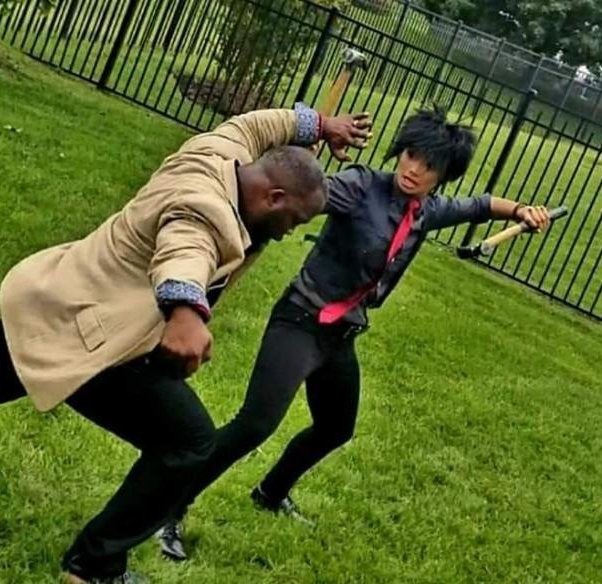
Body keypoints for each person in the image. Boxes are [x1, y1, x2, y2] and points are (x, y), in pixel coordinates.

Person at [0, 105, 373, 584]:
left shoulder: (216, 152)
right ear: (272, 198)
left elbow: (256, 124)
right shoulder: (207, 208)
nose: (289, 233)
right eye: (293, 221)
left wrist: (319, 125)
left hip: (54, 302)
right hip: (90, 343)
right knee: (188, 442)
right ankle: (93, 565)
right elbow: (184, 246)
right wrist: (186, 310)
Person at [156, 106, 552, 561]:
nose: (413, 169)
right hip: (302, 320)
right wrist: (292, 173)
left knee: (335, 427)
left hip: (341, 336)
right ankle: (167, 508)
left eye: (429, 166)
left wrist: (521, 211)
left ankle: (270, 492)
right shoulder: (362, 187)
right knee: (254, 425)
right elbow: (309, 196)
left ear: (443, 176)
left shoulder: (426, 211)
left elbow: (478, 206)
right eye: (410, 155)